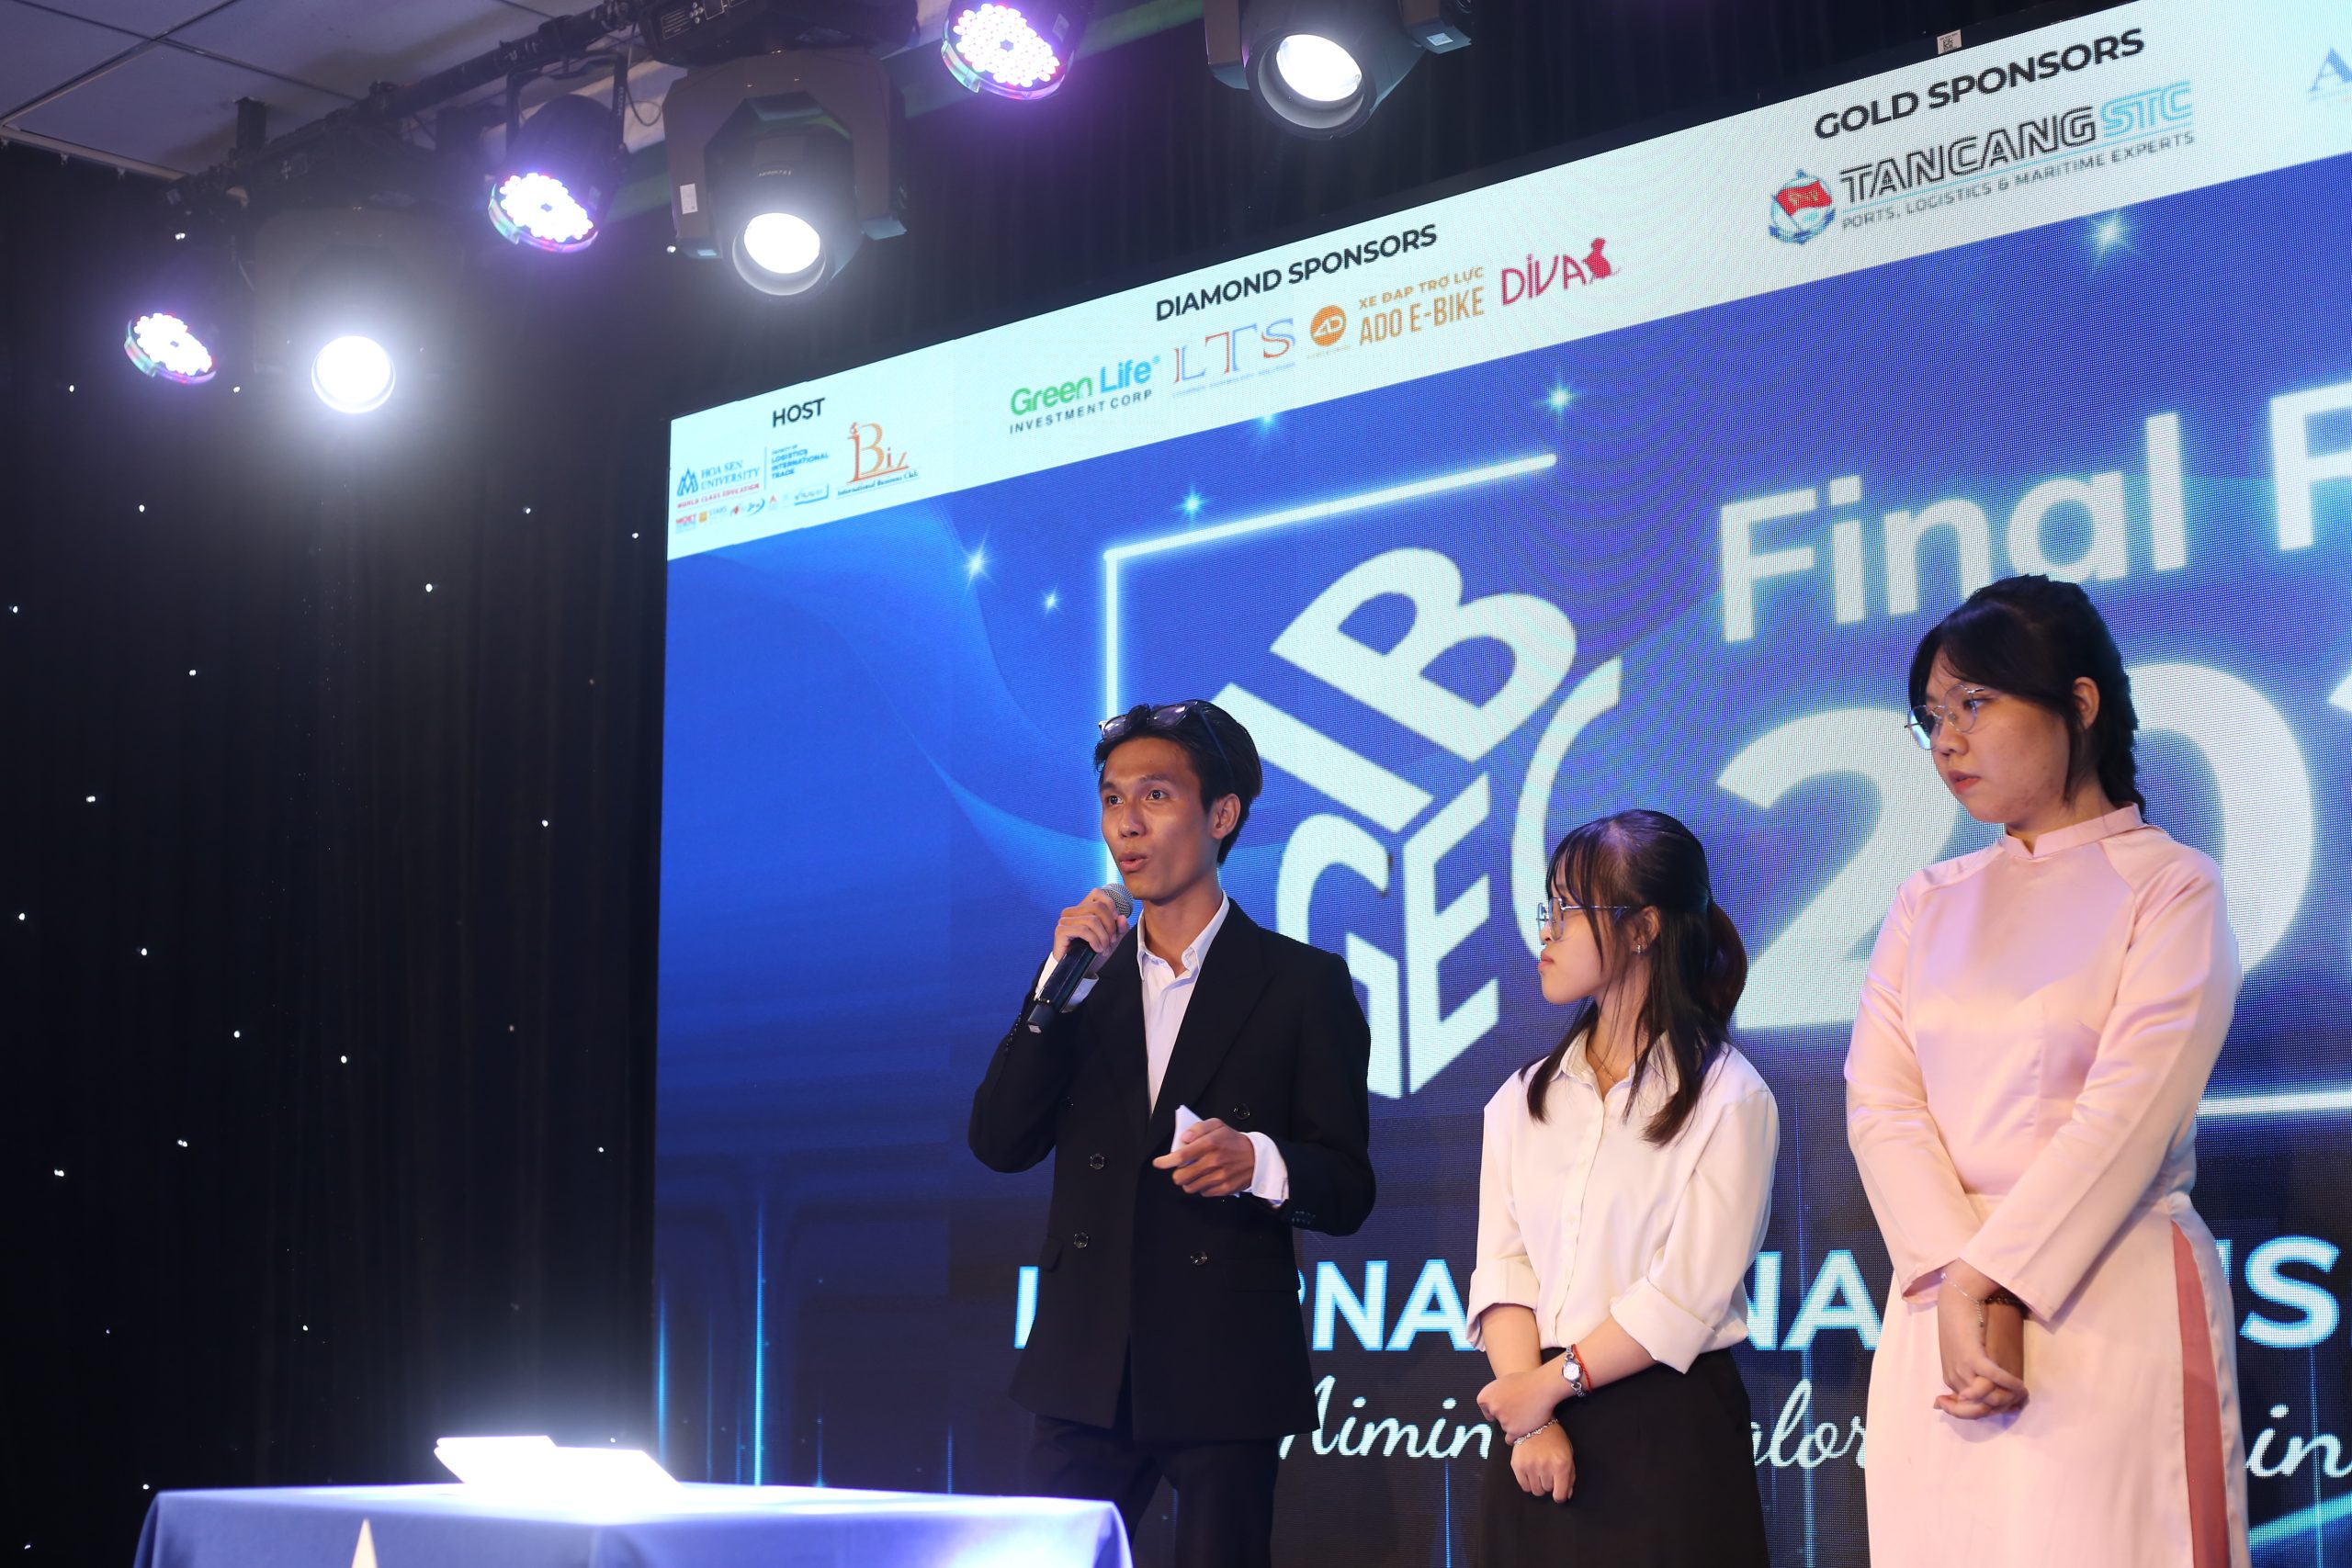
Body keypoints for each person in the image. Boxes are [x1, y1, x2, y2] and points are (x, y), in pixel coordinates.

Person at [1847, 574, 2246, 1567]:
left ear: (2079, 703)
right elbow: (1882, 1103)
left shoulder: (2171, 886)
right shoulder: (1925, 899)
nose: (1946, 740)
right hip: (1938, 1310)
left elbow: (2127, 1117)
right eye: (1932, 717)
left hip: (2106, 1299)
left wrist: (1990, 1280)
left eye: (1974, 703)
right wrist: (1953, 1282)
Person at [967, 698, 1375, 1568]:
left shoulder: (1301, 984)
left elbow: (1348, 1188)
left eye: (1154, 796)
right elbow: (999, 1141)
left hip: (1223, 1362)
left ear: (1222, 814)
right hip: (1083, 1364)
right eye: (1112, 799)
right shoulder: (1081, 979)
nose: (1126, 824)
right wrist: (1051, 991)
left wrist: (1257, 1161)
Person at [1466, 808, 1776, 1566]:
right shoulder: (1520, 1098)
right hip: (1535, 1432)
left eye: (1567, 910)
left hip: (1666, 1429)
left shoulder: (1729, 1096)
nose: (1546, 932)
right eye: (1547, 908)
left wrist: (1552, 1385)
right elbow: (1503, 1271)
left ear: (1643, 928)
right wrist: (1533, 1412)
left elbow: (1686, 1294)